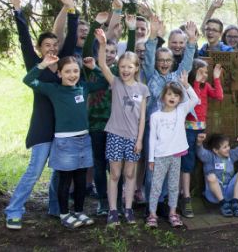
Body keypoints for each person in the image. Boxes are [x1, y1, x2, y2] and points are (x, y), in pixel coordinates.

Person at [4, 0, 77, 230]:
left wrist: (71, 7)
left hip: (63, 130)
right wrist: (17, 9)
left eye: (55, 46)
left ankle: (55, 207)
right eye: (47, 46)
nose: (52, 49)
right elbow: (24, 37)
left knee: (59, 172)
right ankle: (14, 210)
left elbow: (74, 29)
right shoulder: (36, 65)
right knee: (35, 171)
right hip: (42, 128)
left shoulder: (64, 64)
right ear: (40, 49)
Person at [23, 55, 107, 229]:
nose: (72, 75)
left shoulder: (82, 87)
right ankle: (64, 214)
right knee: (65, 180)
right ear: (59, 73)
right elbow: (28, 80)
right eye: (67, 71)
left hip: (84, 139)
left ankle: (78, 211)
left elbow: (103, 83)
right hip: (65, 142)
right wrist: (43, 65)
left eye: (76, 71)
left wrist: (94, 68)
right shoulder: (53, 89)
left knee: (81, 179)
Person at [82, 12, 137, 215]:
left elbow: (130, 54)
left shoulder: (121, 73)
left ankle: (118, 201)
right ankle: (103, 201)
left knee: (115, 165)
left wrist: (131, 30)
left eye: (114, 51)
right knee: (98, 163)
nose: (111, 54)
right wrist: (96, 25)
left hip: (117, 126)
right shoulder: (91, 69)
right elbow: (87, 50)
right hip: (97, 124)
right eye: (108, 50)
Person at [94, 29, 149, 226]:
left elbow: (142, 117)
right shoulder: (115, 83)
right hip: (115, 135)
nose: (125, 70)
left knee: (130, 174)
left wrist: (140, 140)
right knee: (115, 174)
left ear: (136, 68)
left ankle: (128, 209)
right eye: (122, 66)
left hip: (134, 138)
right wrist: (101, 44)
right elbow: (101, 64)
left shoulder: (143, 89)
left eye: (129, 67)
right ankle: (113, 211)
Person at [143, 17, 197, 207]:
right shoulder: (151, 76)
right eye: (161, 60)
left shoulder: (177, 77)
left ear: (172, 62)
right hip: (155, 129)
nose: (164, 63)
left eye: (168, 60)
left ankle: (165, 202)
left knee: (169, 170)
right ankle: (152, 205)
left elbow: (187, 64)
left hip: (174, 130)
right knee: (153, 170)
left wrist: (191, 42)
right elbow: (148, 58)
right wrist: (152, 36)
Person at [146, 73, 200, 228]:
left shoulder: (181, 111)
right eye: (169, 94)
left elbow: (195, 100)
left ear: (179, 99)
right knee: (156, 186)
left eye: (176, 95)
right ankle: (152, 214)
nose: (172, 97)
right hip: (160, 157)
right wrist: (151, 159)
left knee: (173, 186)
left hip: (176, 155)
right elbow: (152, 140)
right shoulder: (156, 116)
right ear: (163, 96)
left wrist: (186, 85)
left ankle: (172, 213)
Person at [179, 60, 224, 218]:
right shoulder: (188, 87)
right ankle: (185, 197)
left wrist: (216, 78)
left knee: (197, 159)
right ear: (194, 72)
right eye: (201, 72)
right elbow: (195, 100)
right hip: (189, 129)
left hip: (201, 129)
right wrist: (196, 82)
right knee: (188, 161)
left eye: (206, 72)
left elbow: (219, 96)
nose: (205, 75)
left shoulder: (205, 87)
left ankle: (190, 191)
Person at [196, 133, 238, 217]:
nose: (228, 148)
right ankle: (223, 204)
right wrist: (199, 143)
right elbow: (201, 152)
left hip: (229, 192)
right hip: (214, 195)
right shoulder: (210, 157)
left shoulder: (231, 155)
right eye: (225, 147)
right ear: (216, 150)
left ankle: (235, 203)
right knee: (211, 177)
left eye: (228, 146)